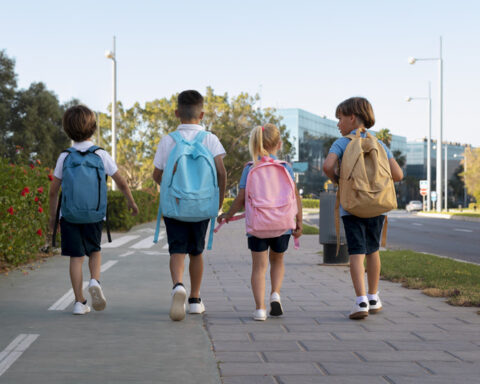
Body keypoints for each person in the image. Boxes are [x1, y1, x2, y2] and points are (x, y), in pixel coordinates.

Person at [49, 105, 138, 315]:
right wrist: (131, 202)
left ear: (67, 130)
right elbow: (122, 182)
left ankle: (79, 302)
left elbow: (54, 192)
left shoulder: (65, 156)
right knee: (95, 251)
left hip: (69, 215)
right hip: (95, 214)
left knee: (75, 258)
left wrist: (53, 220)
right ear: (94, 128)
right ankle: (95, 281)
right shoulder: (100, 154)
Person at [323, 97, 403, 320]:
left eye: (339, 118)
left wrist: (339, 179)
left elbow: (328, 166)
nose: (338, 124)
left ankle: (360, 302)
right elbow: (398, 175)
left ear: (352, 117)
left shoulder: (342, 143)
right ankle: (374, 297)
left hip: (353, 207)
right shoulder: (380, 144)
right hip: (377, 207)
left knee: (356, 253)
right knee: (373, 251)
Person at [153, 90, 227, 321]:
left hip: (175, 205)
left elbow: (157, 175)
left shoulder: (168, 141)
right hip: (202, 206)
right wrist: (218, 201)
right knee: (197, 251)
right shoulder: (210, 139)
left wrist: (171, 185)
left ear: (177, 113)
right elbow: (221, 172)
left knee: (177, 250)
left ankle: (178, 286)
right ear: (202, 113)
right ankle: (195, 299)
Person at [218, 123, 302, 321]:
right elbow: (295, 196)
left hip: (258, 226)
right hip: (282, 224)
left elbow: (240, 198)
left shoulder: (250, 168)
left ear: (255, 143)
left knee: (259, 267)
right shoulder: (286, 167)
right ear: (279, 144)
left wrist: (228, 215)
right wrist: (298, 220)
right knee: (278, 260)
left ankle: (260, 309)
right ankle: (275, 294)